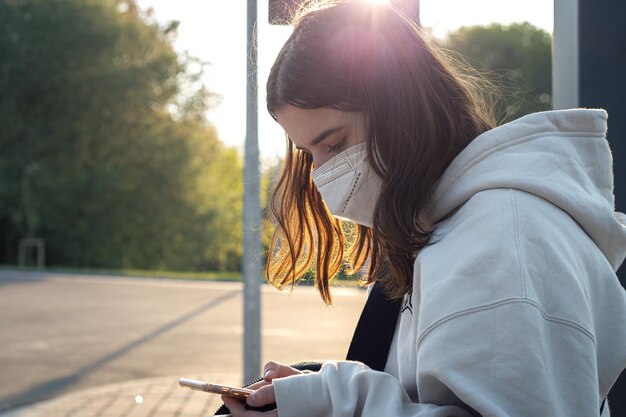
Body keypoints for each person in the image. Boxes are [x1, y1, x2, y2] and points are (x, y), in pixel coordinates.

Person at [222, 1, 626, 416]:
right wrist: (318, 396)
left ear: (402, 107)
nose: (321, 173)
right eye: (310, 154)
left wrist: (334, 406)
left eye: (334, 144)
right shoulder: (454, 227)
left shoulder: (505, 237)